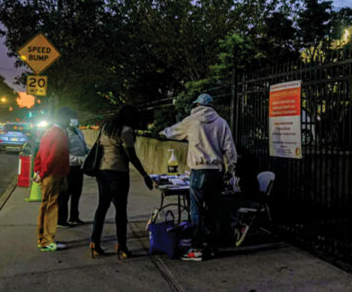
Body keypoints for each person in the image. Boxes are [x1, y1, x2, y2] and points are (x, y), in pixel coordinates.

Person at [160, 93, 237, 261]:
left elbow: (173, 131)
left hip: (198, 171)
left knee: (196, 210)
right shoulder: (221, 123)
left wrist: (162, 133)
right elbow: (230, 150)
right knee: (213, 209)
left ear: (197, 105)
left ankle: (196, 248)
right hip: (216, 171)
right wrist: (229, 170)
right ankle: (212, 246)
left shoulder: (191, 121)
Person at [89, 105, 155, 259]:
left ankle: (94, 243)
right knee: (120, 210)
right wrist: (145, 175)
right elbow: (132, 156)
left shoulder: (106, 128)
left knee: (102, 207)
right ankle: (122, 246)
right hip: (118, 173)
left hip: (102, 171)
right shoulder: (126, 131)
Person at [34, 107, 71, 252]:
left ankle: (42, 239)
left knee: (45, 206)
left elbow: (40, 153)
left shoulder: (48, 132)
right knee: (51, 207)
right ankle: (48, 241)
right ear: (64, 118)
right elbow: (54, 156)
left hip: (47, 174)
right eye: (69, 118)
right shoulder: (60, 134)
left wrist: (38, 171)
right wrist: (42, 173)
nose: (71, 121)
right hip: (53, 175)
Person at [57, 110, 88, 226]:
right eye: (73, 117)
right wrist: (80, 159)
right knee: (65, 195)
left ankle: (74, 216)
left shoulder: (79, 132)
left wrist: (89, 154)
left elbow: (84, 146)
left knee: (77, 193)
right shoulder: (64, 132)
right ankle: (61, 220)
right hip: (68, 168)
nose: (75, 119)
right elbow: (63, 154)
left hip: (79, 168)